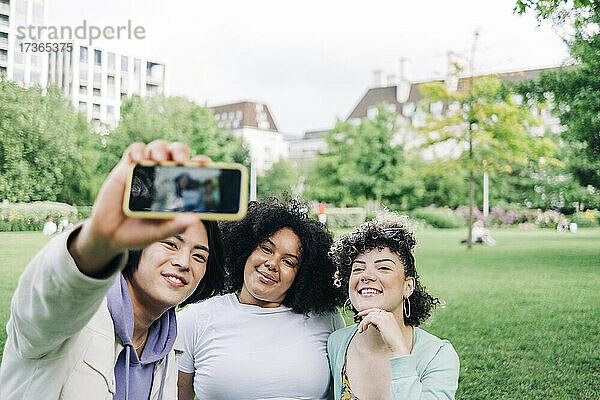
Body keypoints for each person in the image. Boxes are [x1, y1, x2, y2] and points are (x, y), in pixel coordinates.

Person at [0, 141, 225, 400]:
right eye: (170, 243)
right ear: (137, 244)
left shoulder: (170, 346)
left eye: (199, 256)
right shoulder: (66, 320)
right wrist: (98, 241)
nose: (184, 262)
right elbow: (50, 300)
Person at [177, 199, 346, 400]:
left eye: (288, 262)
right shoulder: (194, 319)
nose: (272, 264)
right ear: (245, 249)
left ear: (302, 275)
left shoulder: (327, 319)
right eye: (266, 249)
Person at [327, 216, 459, 399]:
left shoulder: (437, 355)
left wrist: (399, 351)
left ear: (408, 287)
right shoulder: (337, 343)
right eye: (358, 269)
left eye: (383, 268)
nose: (367, 276)